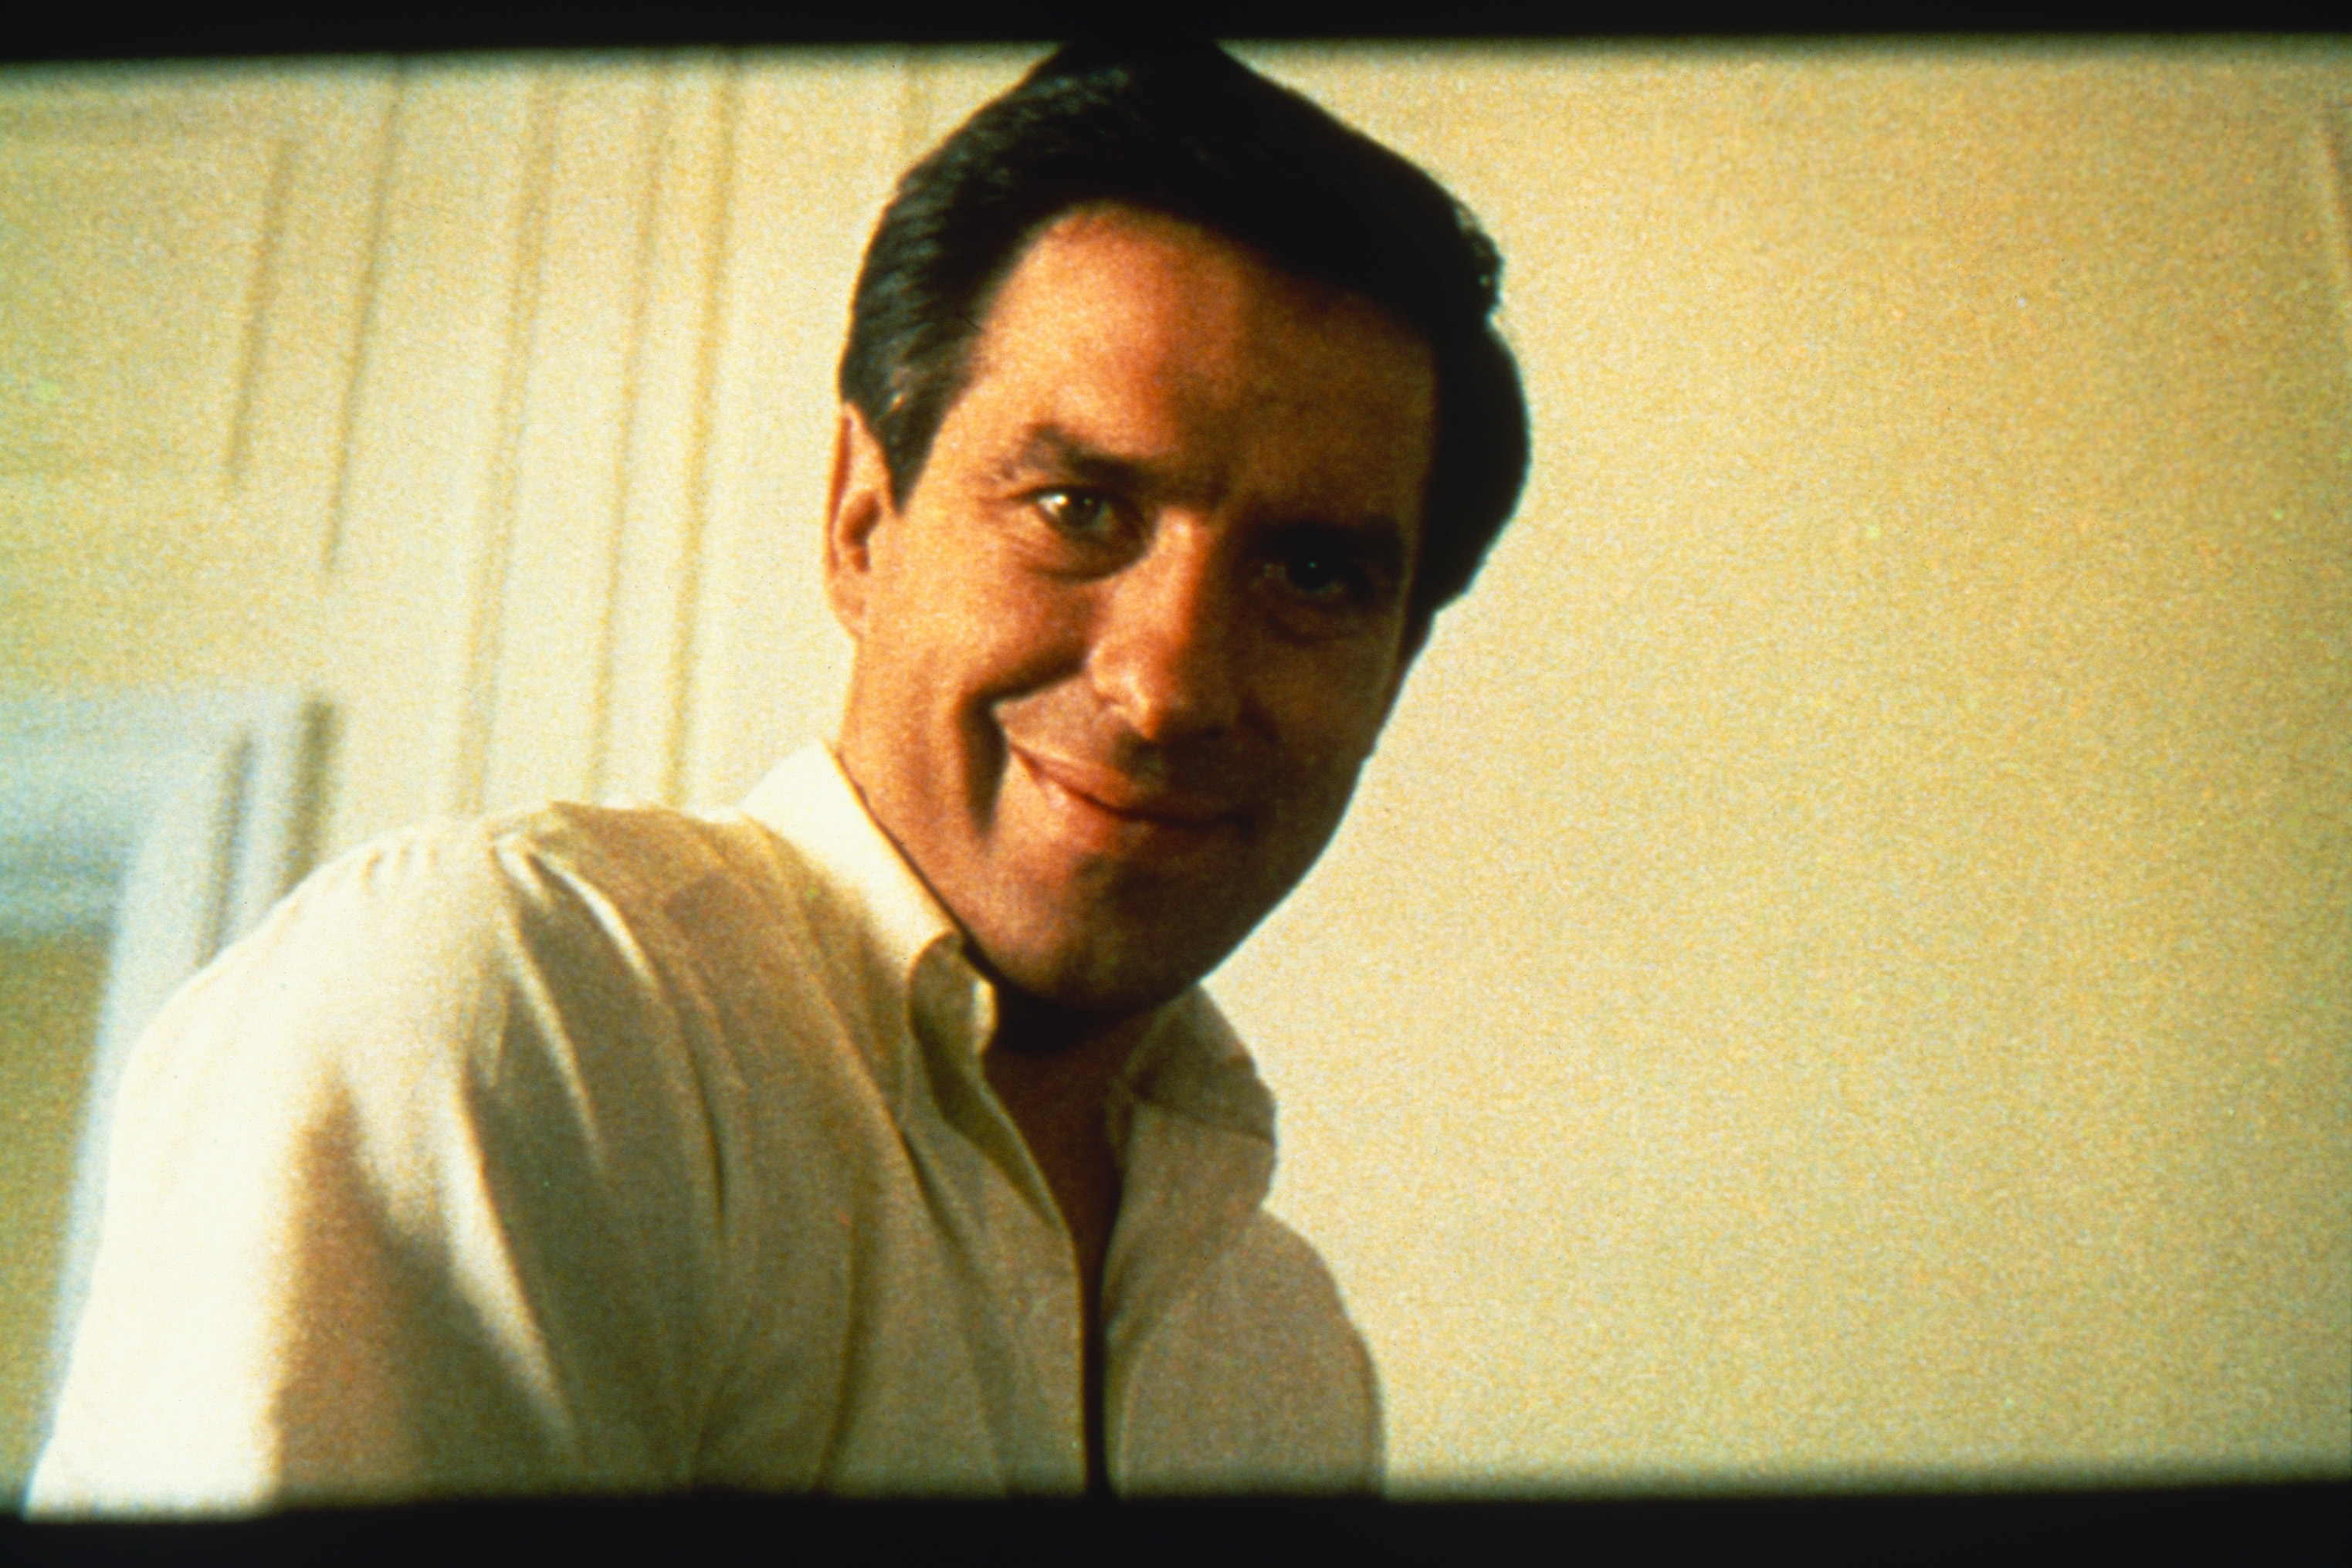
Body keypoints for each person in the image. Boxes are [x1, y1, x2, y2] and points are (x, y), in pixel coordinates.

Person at [29, 42, 1527, 1510]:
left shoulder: (1290, 1357)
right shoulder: (510, 1009)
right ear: (861, 521)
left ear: (1392, 662)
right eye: (1077, 506)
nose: (1169, 687)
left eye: (1313, 574)